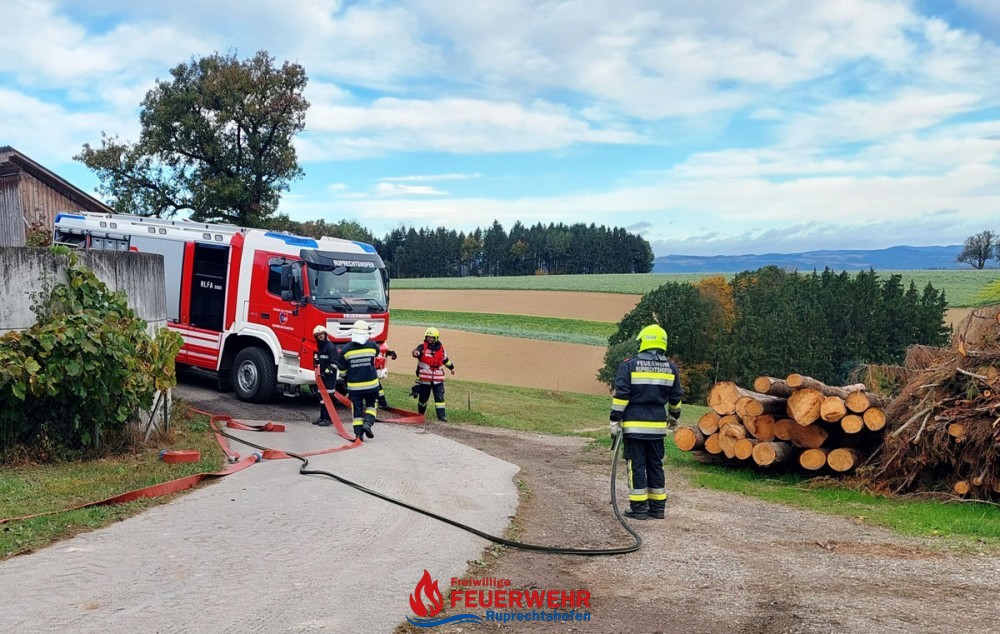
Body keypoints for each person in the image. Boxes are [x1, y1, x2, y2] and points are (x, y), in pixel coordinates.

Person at [609, 324, 683, 521]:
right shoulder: (671, 368)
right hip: (657, 428)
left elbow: (621, 396)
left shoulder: (629, 365)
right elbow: (675, 398)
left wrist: (614, 420)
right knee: (655, 465)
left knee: (636, 466)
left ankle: (639, 508)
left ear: (643, 342)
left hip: (634, 427)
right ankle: (658, 508)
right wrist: (674, 417)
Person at [335, 320, 381, 441]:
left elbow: (342, 371)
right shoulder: (372, 346)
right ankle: (368, 424)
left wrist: (347, 378)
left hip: (354, 387)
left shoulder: (346, 350)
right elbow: (377, 353)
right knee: (372, 405)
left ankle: (358, 435)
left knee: (357, 410)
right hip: (371, 385)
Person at [412, 327, 455, 421]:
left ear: (436, 338)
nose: (429, 339)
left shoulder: (441, 348)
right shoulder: (422, 347)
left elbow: (445, 360)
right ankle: (420, 414)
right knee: (423, 399)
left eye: (431, 337)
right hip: (425, 379)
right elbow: (417, 351)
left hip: (438, 379)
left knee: (439, 398)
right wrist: (416, 353)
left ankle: (442, 416)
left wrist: (451, 367)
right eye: (428, 337)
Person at [312, 325, 340, 427]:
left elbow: (334, 364)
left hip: (329, 378)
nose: (321, 336)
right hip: (322, 378)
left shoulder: (330, 347)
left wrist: (326, 373)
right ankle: (322, 417)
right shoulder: (320, 347)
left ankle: (328, 418)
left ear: (325, 334)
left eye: (322, 334)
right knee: (321, 398)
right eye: (318, 335)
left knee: (328, 399)